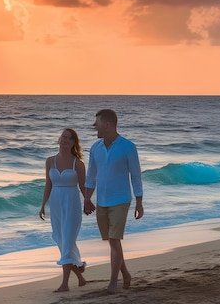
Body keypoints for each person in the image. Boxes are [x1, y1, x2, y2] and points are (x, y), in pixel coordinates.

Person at [83, 109, 144, 294]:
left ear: (107, 125)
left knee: (115, 239)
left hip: (121, 199)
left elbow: (136, 175)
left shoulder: (128, 147)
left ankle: (113, 282)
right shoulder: (95, 148)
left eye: (97, 125)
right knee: (112, 241)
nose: (95, 128)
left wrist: (139, 202)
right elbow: (91, 175)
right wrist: (87, 199)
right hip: (102, 200)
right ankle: (125, 274)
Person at [39, 128, 87, 292]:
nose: (65, 140)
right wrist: (43, 205)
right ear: (59, 139)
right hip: (56, 204)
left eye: (69, 138)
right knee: (61, 240)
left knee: (67, 240)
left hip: (72, 204)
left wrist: (88, 201)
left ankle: (65, 284)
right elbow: (48, 184)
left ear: (73, 143)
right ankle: (79, 275)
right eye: (63, 137)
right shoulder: (50, 161)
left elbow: (83, 187)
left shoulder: (78, 164)